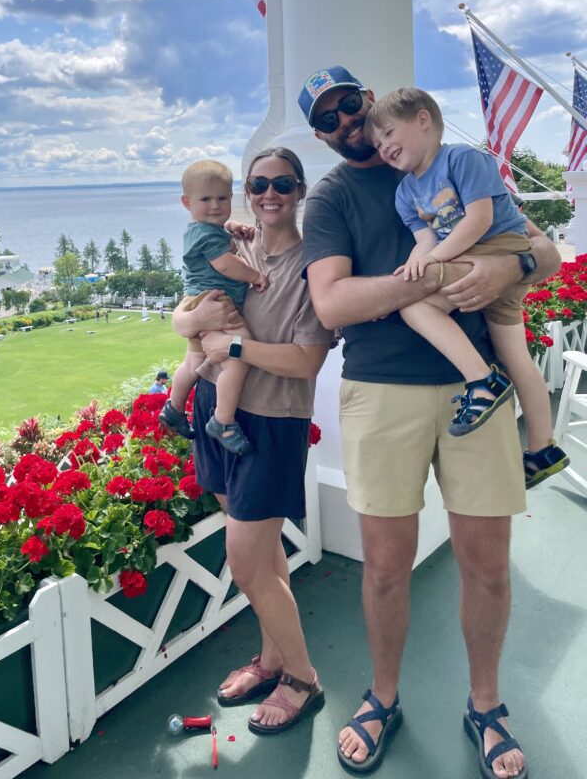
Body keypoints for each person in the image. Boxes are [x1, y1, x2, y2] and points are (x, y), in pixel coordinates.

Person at [298, 65, 560, 778]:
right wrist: (438, 279)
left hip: (477, 391)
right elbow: (332, 305)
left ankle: (486, 704)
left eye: (353, 105)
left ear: (380, 103)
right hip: (383, 392)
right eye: (329, 119)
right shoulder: (331, 199)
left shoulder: (455, 161)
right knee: (385, 568)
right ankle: (382, 696)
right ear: (320, 136)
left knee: (487, 568)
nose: (349, 124)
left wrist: (510, 271)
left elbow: (546, 250)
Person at [173, 147, 336, 735]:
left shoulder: (314, 265)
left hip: (270, 423)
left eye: (283, 183)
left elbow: (306, 359)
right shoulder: (231, 242)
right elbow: (189, 309)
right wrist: (188, 326)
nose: (270, 193)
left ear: (299, 189)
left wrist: (234, 348)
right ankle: (271, 660)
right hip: (218, 411)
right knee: (265, 560)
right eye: (259, 183)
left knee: (248, 567)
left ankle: (303, 678)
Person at [364, 86, 569, 487]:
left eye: (388, 133)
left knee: (415, 306)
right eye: (377, 142)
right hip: (467, 255)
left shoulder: (462, 158)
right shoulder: (406, 192)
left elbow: (477, 220)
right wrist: (409, 268)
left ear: (423, 119)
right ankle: (544, 448)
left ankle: (482, 381)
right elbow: (424, 241)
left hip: (498, 246)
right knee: (518, 358)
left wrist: (433, 262)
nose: (383, 146)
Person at [160, 159, 269, 455]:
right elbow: (224, 263)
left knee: (194, 362)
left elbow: (221, 243)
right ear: (186, 202)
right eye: (205, 199)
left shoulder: (204, 230)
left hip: (197, 299)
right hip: (216, 301)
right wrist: (255, 275)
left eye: (222, 198)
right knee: (240, 354)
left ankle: (174, 407)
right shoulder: (208, 234)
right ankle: (223, 420)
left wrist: (231, 229)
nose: (214, 205)